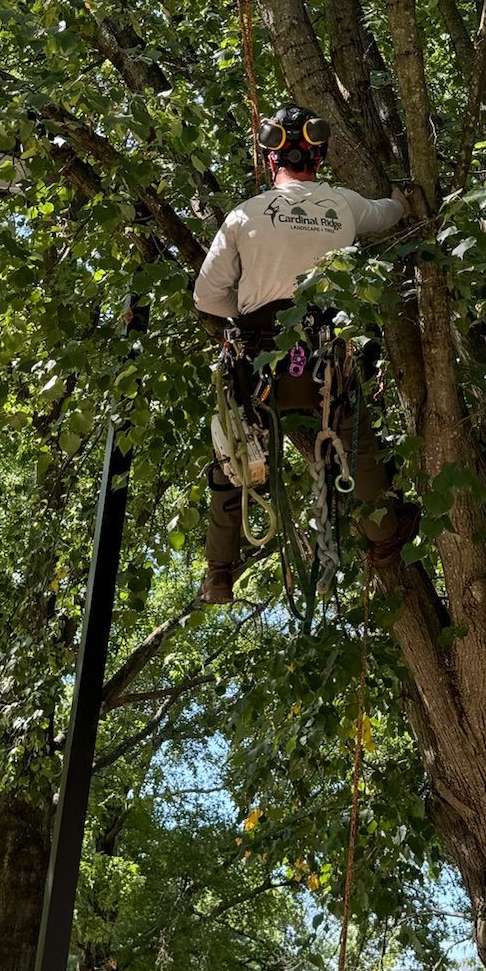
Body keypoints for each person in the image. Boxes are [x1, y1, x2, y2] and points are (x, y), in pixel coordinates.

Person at [193, 103, 413, 604]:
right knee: (355, 443)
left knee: (233, 459)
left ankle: (220, 572)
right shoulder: (344, 204)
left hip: (257, 367)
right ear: (319, 156)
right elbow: (390, 212)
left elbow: (206, 297)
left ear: (272, 159)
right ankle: (382, 538)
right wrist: (405, 194)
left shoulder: (244, 215)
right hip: (324, 365)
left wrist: (247, 314)